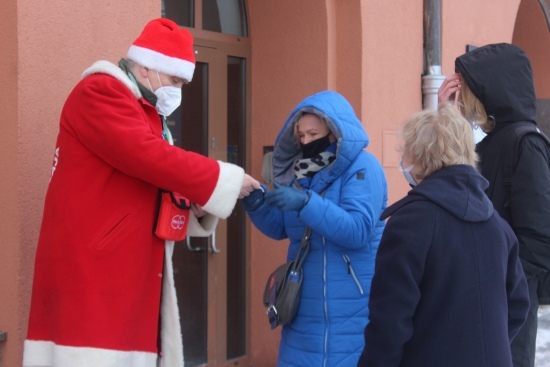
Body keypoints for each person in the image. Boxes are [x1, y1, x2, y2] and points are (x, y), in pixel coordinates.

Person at [23, 18, 259, 367]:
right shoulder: (100, 93)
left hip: (122, 270)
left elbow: (147, 176)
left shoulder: (144, 111)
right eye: (175, 80)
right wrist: (222, 180)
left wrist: (192, 204)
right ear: (147, 68)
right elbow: (149, 157)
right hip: (95, 271)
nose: (177, 90)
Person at [357, 102, 530, 367]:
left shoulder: (409, 223)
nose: (403, 160)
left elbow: (390, 322)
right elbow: (518, 305)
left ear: (420, 157)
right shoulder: (497, 224)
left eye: (407, 152)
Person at [242, 90, 388, 366]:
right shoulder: (300, 174)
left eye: (313, 134)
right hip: (302, 311)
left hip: (352, 312)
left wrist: (306, 202)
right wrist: (256, 201)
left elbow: (357, 230)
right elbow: (282, 228)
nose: (306, 141)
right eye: (301, 135)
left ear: (334, 133)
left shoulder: (363, 167)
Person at [439, 43, 550, 367]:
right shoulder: (490, 141)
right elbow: (445, 187)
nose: (464, 96)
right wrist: (444, 114)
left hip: (506, 303)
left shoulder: (525, 143)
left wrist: (505, 282)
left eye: (467, 87)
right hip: (479, 293)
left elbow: (540, 234)